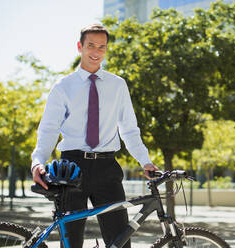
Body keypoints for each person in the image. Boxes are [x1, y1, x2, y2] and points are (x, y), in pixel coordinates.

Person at [31, 23, 158, 248]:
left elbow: (128, 129)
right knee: (71, 242)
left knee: (119, 240)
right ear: (80, 46)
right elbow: (49, 129)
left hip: (107, 169)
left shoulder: (118, 85)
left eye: (102, 47)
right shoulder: (63, 86)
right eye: (91, 45)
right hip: (71, 168)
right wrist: (37, 161)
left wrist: (145, 161)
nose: (96, 52)